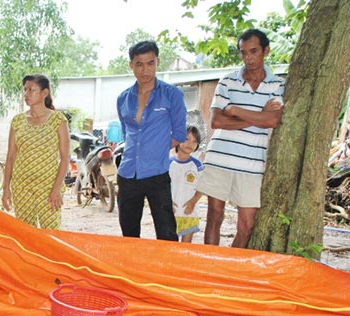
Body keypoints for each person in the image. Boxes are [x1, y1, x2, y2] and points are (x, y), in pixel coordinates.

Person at [197, 28, 284, 248]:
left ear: (266, 51)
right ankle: (212, 267)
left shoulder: (277, 85)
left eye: (253, 51)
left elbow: (273, 121)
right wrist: (258, 116)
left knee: (246, 227)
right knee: (214, 217)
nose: (248, 57)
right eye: (243, 52)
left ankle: (230, 270)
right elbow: (216, 121)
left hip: (253, 165)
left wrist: (235, 109)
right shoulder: (227, 81)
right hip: (219, 160)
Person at [116, 41, 187, 241]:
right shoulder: (123, 98)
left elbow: (180, 134)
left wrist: (155, 151)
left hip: (157, 173)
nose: (145, 69)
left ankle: (166, 271)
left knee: (166, 234)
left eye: (150, 63)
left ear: (157, 62)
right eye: (139, 64)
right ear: (131, 65)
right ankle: (132, 271)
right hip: (128, 173)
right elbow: (126, 133)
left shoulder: (171, 95)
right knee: (129, 235)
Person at [2, 74, 70, 229]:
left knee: (52, 233)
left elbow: (65, 158)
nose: (26, 94)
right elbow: (11, 156)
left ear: (44, 93)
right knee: (26, 234)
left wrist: (56, 189)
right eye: (25, 90)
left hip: (48, 186)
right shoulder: (18, 121)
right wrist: (6, 188)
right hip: (21, 186)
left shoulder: (58, 120)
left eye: (31, 90)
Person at [170, 126, 204, 243]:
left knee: (186, 246)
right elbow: (160, 187)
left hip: (189, 213)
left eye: (194, 141)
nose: (190, 144)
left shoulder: (197, 165)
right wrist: (166, 203)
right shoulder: (167, 164)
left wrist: (193, 202)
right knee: (169, 245)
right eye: (186, 139)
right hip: (170, 213)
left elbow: (202, 187)